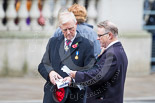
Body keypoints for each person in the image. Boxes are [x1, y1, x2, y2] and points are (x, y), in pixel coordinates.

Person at [38, 11, 95, 103]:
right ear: (60, 28)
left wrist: (73, 79)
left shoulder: (87, 44)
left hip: (74, 96)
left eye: (71, 28)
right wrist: (50, 73)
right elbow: (43, 65)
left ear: (76, 24)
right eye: (65, 30)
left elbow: (90, 71)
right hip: (52, 97)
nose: (68, 32)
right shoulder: (53, 42)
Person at [68, 20, 128, 103]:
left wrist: (76, 75)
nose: (97, 38)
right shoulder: (115, 50)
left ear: (110, 35)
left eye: (100, 35)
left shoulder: (112, 54)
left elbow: (98, 76)